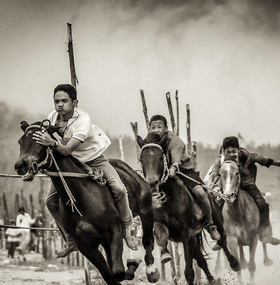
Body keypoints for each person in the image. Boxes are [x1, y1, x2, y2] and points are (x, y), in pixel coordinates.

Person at [32, 83, 138, 252]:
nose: (60, 105)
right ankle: (70, 237)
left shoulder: (84, 120)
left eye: (64, 101)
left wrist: (52, 142)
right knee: (50, 201)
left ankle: (126, 229)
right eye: (56, 101)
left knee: (119, 189)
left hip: (93, 159)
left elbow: (66, 150)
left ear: (75, 102)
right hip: (69, 165)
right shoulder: (52, 117)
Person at [146, 114, 222, 241]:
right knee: (144, 196)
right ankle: (148, 228)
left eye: (159, 127)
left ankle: (210, 224)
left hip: (183, 171)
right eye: (153, 127)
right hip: (160, 175)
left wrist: (173, 168)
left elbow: (176, 159)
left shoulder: (175, 141)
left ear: (166, 128)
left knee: (201, 193)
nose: (156, 130)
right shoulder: (148, 142)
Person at [206, 136, 280, 245]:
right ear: (224, 151)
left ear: (238, 150)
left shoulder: (248, 157)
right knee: (215, 207)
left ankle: (265, 234)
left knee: (263, 205)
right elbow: (213, 171)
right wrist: (210, 181)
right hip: (228, 187)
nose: (231, 154)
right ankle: (220, 237)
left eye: (234, 151)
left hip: (247, 184)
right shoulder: (221, 160)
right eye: (228, 151)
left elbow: (267, 161)